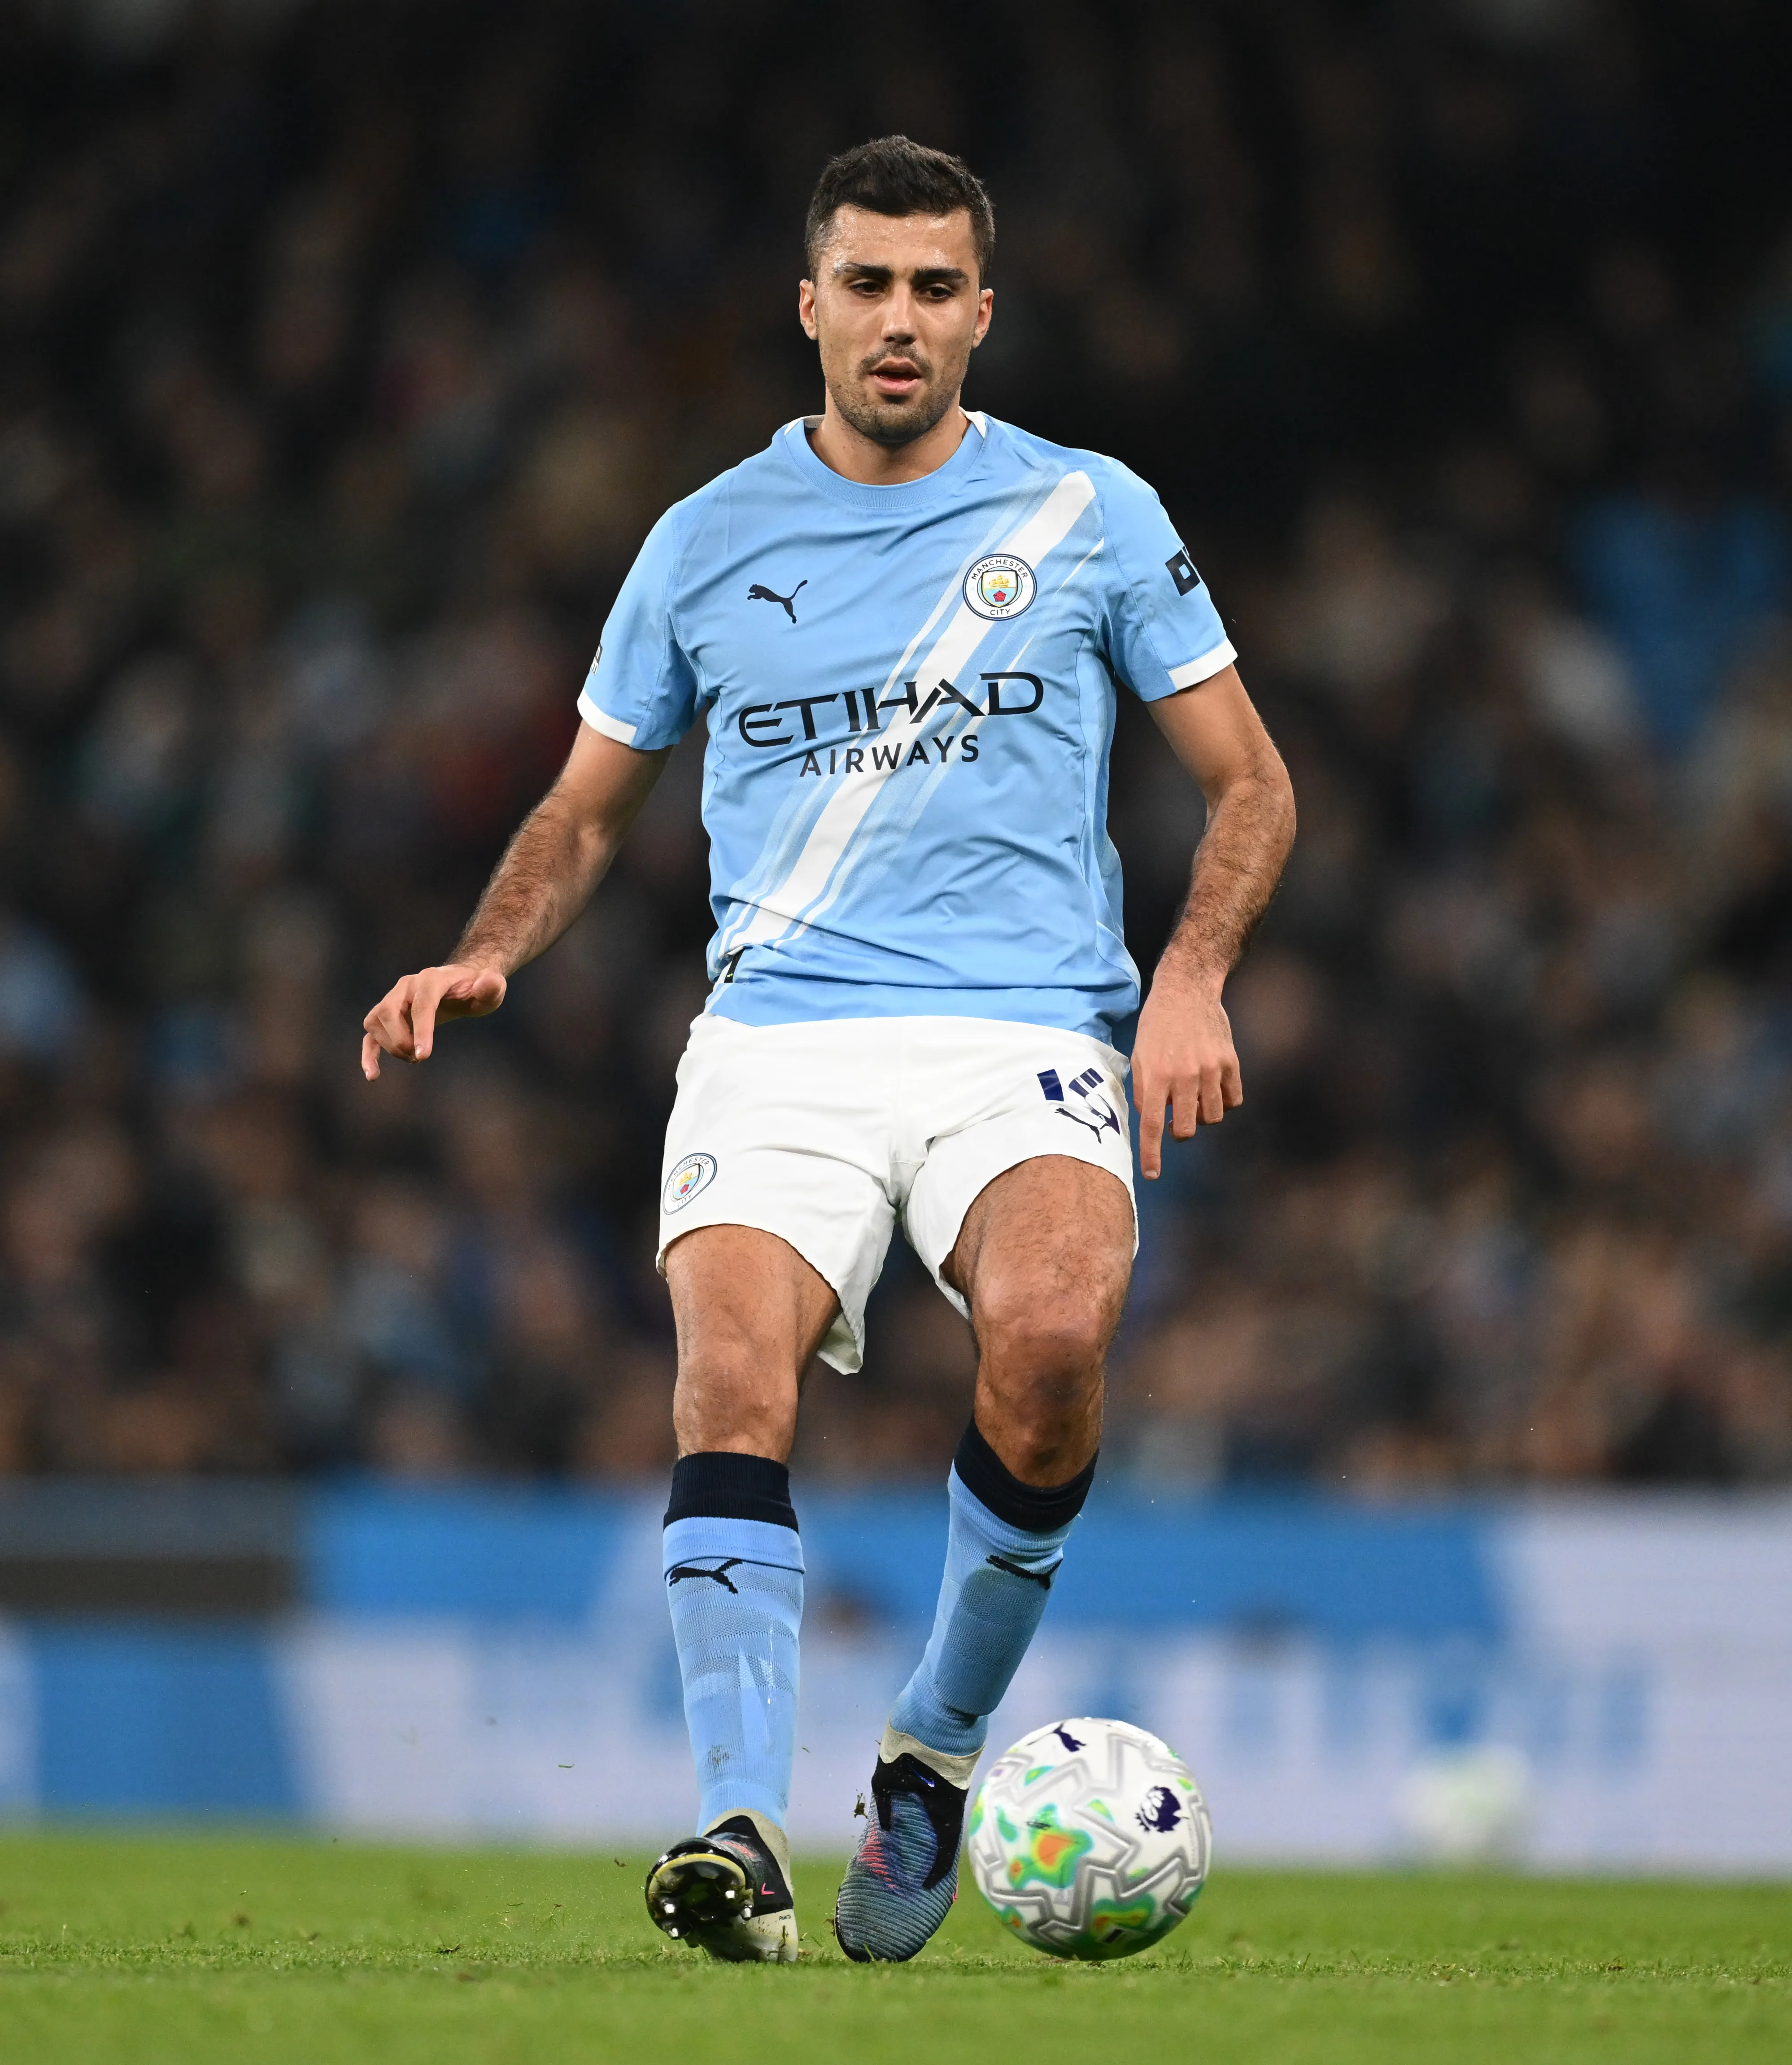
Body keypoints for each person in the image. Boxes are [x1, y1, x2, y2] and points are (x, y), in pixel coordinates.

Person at [361, 135, 1295, 1964]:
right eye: (864, 283)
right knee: (727, 1379)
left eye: (932, 288)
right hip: (777, 1036)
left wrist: (1189, 972)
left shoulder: (1088, 512)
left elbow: (1246, 779)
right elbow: (586, 809)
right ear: (806, 306)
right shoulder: (702, 539)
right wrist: (484, 952)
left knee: (1044, 1346)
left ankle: (932, 1749)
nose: (896, 319)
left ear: (981, 314)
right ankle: (736, 1827)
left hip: (1020, 1028)